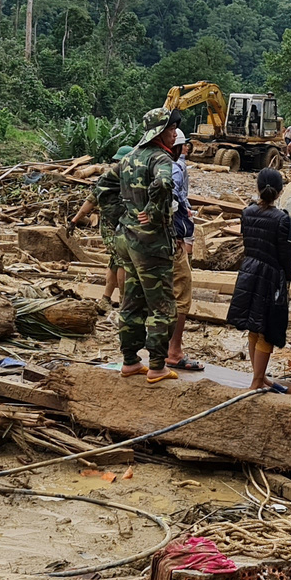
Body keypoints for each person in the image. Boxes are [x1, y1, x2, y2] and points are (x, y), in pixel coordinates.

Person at [117, 108, 181, 381]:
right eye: (171, 128)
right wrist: (154, 212)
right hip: (152, 244)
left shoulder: (129, 157)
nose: (175, 133)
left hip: (127, 240)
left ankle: (130, 360)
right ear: (159, 131)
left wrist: (123, 217)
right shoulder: (160, 157)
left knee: (131, 301)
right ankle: (157, 365)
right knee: (162, 305)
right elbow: (165, 183)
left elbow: (103, 187)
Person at [227, 167, 291, 390]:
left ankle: (259, 375)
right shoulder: (282, 220)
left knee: (254, 326)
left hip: (249, 270)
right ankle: (257, 379)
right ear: (279, 192)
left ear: (258, 188)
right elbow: (286, 254)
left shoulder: (247, 213)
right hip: (271, 276)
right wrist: (287, 277)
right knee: (267, 328)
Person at [71, 145, 134, 304]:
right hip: (116, 227)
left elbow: (90, 202)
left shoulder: (106, 180)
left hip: (112, 227)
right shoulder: (129, 180)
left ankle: (105, 299)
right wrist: (74, 220)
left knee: (114, 262)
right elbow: (90, 202)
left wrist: (74, 220)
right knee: (122, 262)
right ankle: (124, 301)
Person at [165, 128, 202, 373]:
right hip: (171, 240)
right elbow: (172, 199)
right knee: (181, 291)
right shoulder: (173, 168)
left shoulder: (141, 162)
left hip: (147, 242)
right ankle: (174, 352)